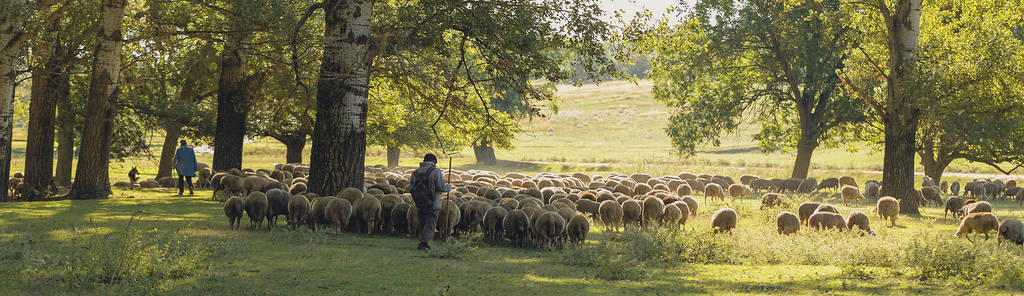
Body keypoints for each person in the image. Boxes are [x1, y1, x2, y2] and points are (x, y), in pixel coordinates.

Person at [408, 153, 452, 250]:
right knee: (430, 224)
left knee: (423, 224)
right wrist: (448, 187)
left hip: (419, 203)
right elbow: (441, 187)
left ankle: (422, 241)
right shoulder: (435, 171)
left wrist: (419, 197)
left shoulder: (415, 172)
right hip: (433, 203)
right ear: (433, 161)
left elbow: (411, 188)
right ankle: (425, 244)